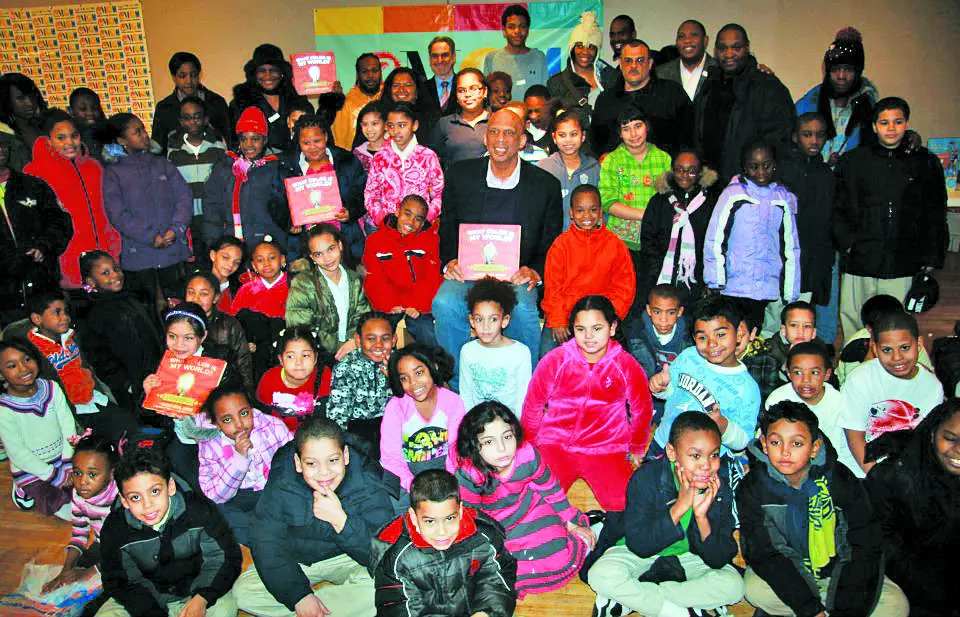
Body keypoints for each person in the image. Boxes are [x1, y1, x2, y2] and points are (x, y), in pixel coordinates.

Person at [738, 401, 909, 617]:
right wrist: (810, 609)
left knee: (896, 605)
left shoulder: (840, 479)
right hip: (792, 571)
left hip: (839, 572)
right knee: (755, 590)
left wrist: (846, 609)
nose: (784, 451)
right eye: (775, 442)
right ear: (764, 443)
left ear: (814, 447)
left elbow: (863, 544)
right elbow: (766, 553)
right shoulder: (753, 487)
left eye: (797, 444)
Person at [433, 108, 562, 379]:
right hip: (469, 270)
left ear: (522, 141)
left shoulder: (545, 185)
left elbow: (551, 239)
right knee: (445, 303)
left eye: (509, 133)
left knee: (525, 309)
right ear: (485, 137)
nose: (500, 139)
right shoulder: (460, 174)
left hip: (515, 274)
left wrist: (535, 270)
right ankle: (458, 384)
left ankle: (526, 387)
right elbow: (448, 224)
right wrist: (449, 261)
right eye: (494, 131)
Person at [585, 412, 744, 617]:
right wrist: (680, 506)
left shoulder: (718, 489)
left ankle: (633, 600)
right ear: (671, 452)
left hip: (690, 556)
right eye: (695, 456)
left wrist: (702, 518)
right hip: (641, 553)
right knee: (601, 575)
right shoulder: (646, 478)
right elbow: (639, 545)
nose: (706, 465)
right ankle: (681, 611)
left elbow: (719, 558)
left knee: (734, 587)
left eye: (714, 455)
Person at [234, 416, 393, 617]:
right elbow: (266, 542)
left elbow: (384, 550)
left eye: (333, 460)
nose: (324, 473)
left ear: (345, 456)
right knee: (244, 593)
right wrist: (299, 596)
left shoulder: (366, 479)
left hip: (345, 557)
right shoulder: (282, 482)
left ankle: (316, 611)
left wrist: (342, 522)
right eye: (311, 464)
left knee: (388, 583)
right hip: (296, 559)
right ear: (298, 463)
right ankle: (332, 608)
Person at [522, 295, 652, 511]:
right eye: (581, 329)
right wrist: (528, 444)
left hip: (606, 448)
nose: (588, 336)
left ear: (612, 328)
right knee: (535, 503)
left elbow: (642, 408)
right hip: (556, 445)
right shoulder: (556, 360)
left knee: (624, 505)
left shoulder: (626, 365)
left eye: (597, 328)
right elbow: (533, 404)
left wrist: (637, 447)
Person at [834, 96, 948, 335]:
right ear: (874, 126)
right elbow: (839, 208)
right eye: (884, 122)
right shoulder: (853, 162)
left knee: (896, 324)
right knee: (856, 321)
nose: (891, 128)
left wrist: (931, 257)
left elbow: (935, 213)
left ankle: (893, 371)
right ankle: (853, 369)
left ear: (906, 123)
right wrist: (847, 243)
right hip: (861, 258)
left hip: (903, 260)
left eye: (898, 121)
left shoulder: (924, 162)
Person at [457, 402, 593, 598]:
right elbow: (471, 517)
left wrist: (570, 523)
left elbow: (549, 487)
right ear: (473, 445)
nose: (502, 448)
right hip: (496, 525)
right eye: (488, 441)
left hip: (531, 509)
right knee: (506, 569)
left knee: (558, 556)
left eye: (507, 436)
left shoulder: (527, 454)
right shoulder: (469, 475)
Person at [97, 443, 242, 617]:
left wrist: (202, 597)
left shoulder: (200, 512)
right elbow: (121, 581)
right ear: (125, 501)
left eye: (155, 491)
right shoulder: (115, 529)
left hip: (196, 591)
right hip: (145, 600)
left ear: (170, 486)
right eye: (135, 497)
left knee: (225, 611)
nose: (147, 505)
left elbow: (224, 557)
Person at [370, 469, 518, 617]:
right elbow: (396, 608)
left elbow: (499, 578)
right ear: (414, 518)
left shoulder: (483, 537)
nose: (442, 531)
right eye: (430, 521)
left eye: (449, 519)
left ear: (459, 511)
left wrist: (486, 612)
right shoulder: (397, 558)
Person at [866, 399, 960, 616]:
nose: (958, 451)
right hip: (905, 580)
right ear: (932, 433)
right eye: (950, 439)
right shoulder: (893, 475)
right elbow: (880, 541)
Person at [703, 140, 801, 333]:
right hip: (732, 285)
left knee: (753, 336)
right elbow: (715, 238)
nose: (761, 172)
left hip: (765, 287)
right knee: (730, 334)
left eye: (766, 165)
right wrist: (715, 280)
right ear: (745, 167)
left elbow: (791, 246)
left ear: (774, 164)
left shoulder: (782, 199)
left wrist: (790, 291)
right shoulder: (733, 195)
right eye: (754, 167)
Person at [650, 295, 761, 462]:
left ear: (739, 334)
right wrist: (661, 387)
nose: (712, 344)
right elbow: (672, 392)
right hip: (664, 442)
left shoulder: (747, 388)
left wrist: (723, 425)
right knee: (647, 484)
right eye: (702, 337)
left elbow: (743, 440)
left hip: (703, 462)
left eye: (721, 335)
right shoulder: (689, 356)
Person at [100, 112, 193, 311]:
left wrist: (175, 229)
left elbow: (184, 196)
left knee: (178, 307)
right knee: (146, 310)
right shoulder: (113, 172)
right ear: (121, 140)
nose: (144, 135)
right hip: (139, 255)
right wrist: (151, 236)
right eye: (137, 132)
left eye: (143, 129)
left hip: (171, 249)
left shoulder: (162, 164)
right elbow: (117, 214)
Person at [23, 109, 120, 290]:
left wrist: (115, 247)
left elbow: (107, 211)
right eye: (61, 137)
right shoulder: (35, 172)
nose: (69, 142)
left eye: (74, 136)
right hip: (65, 263)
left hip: (104, 259)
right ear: (49, 140)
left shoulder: (93, 166)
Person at [24, 291, 139, 441]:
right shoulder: (31, 351)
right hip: (71, 411)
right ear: (37, 318)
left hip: (92, 398)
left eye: (66, 311)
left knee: (130, 426)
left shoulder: (71, 337)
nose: (65, 317)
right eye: (57, 313)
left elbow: (85, 366)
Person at [841, 310, 944, 475]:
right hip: (860, 469)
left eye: (905, 347)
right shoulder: (860, 379)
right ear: (875, 349)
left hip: (904, 470)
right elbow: (855, 438)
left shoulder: (932, 387)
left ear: (918, 344)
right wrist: (877, 479)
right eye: (887, 350)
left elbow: (923, 439)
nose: (897, 357)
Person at [695, 24, 796, 182]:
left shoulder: (768, 87)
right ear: (715, 51)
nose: (729, 54)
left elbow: (781, 143)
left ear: (747, 48)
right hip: (710, 184)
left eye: (736, 47)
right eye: (723, 48)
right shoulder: (710, 85)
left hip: (751, 186)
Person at [542, 184, 633, 357]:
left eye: (592, 210)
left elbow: (625, 287)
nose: (587, 216)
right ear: (571, 213)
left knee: (618, 358)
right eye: (580, 210)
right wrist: (558, 319)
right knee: (547, 354)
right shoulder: (561, 245)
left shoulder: (615, 245)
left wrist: (609, 317)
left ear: (600, 212)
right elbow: (553, 288)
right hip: (566, 315)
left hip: (602, 317)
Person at [771, 112, 837, 344]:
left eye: (820, 135)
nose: (814, 141)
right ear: (795, 137)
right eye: (807, 135)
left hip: (811, 264)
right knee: (773, 322)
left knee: (800, 323)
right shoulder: (780, 172)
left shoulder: (827, 175)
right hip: (781, 262)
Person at [599, 105, 672, 315]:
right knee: (622, 296)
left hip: (656, 242)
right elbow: (608, 202)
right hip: (621, 242)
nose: (633, 134)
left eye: (637, 126)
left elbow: (670, 200)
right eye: (626, 129)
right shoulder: (612, 160)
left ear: (647, 127)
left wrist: (652, 220)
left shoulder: (663, 158)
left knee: (651, 295)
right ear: (619, 133)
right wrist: (647, 216)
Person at [198, 384, 292, 546]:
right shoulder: (210, 445)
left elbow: (293, 462)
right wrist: (240, 459)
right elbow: (216, 495)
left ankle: (273, 533)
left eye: (244, 413)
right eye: (227, 419)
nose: (239, 424)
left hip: (273, 487)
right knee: (220, 514)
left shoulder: (273, 426)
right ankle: (266, 538)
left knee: (297, 500)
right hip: (238, 495)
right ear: (217, 424)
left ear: (252, 409)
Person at [77, 251, 164, 411]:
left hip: (156, 373)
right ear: (92, 281)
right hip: (132, 386)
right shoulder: (95, 315)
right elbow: (99, 357)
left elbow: (152, 333)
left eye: (116, 269)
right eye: (105, 273)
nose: (115, 275)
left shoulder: (131, 298)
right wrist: (126, 384)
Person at [0, 339, 77, 517]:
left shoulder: (52, 388)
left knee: (89, 490)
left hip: (64, 459)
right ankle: (22, 488)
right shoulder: (4, 410)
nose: (23, 368)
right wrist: (55, 476)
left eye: (27, 359)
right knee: (68, 512)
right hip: (31, 469)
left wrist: (66, 464)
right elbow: (18, 453)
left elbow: (67, 426)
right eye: (12, 365)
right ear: (1, 375)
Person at [0, 134, 72, 325]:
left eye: (3, 144)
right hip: (5, 294)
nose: (1, 149)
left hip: (42, 282)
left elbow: (61, 223)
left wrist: (44, 246)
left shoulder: (32, 185)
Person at [279, 113, 367, 261]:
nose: (312, 147)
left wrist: (350, 211)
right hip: (304, 246)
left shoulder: (347, 160)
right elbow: (277, 202)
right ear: (298, 142)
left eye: (317, 141)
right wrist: (290, 222)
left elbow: (363, 195)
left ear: (326, 137)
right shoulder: (287, 167)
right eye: (306, 142)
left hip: (346, 242)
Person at [766, 340, 862, 477]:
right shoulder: (777, 399)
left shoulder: (838, 402)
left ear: (827, 374)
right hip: (786, 463)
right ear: (788, 373)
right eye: (798, 372)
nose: (806, 380)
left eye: (815, 372)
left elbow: (835, 451)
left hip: (827, 467)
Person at [381, 344, 465, 497]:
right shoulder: (396, 406)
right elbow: (391, 457)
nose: (413, 383)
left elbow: (456, 448)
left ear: (434, 367)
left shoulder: (453, 401)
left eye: (419, 373)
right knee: (391, 508)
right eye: (404, 378)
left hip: (446, 468)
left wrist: (451, 481)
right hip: (405, 474)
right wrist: (413, 485)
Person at [637, 149, 718, 307]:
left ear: (700, 172)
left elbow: (713, 240)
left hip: (696, 278)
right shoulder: (659, 201)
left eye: (691, 171)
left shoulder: (711, 202)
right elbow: (648, 237)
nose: (685, 175)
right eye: (679, 170)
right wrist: (658, 268)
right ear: (672, 171)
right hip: (663, 276)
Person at [202, 106, 288, 255]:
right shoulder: (224, 167)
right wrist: (213, 242)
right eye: (243, 139)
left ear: (265, 139)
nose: (249, 145)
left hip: (268, 244)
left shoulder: (276, 168)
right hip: (232, 246)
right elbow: (212, 206)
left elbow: (285, 208)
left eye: (255, 139)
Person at [42, 431, 118, 596]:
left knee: (107, 586)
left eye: (92, 474)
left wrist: (90, 572)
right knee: (70, 580)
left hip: (127, 548)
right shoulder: (78, 496)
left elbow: (127, 546)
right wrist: (65, 570)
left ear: (112, 473)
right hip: (104, 545)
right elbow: (79, 532)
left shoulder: (121, 499)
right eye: (77, 473)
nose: (82, 482)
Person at [362, 195, 442, 346]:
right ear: (397, 211)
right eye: (407, 213)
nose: (411, 222)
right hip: (388, 304)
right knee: (379, 333)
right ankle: (384, 366)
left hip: (418, 305)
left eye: (418, 219)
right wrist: (390, 304)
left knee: (428, 332)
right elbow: (374, 278)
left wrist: (417, 305)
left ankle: (435, 367)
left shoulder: (430, 241)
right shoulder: (375, 240)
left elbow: (432, 278)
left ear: (423, 222)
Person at [592, 39, 693, 157]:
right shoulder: (605, 100)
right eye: (628, 60)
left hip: (664, 172)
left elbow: (690, 137)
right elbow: (596, 144)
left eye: (640, 60)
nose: (633, 66)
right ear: (620, 64)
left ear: (650, 64)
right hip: (619, 173)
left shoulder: (672, 93)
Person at [287, 224, 372, 359]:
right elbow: (301, 327)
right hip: (318, 354)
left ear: (340, 245)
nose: (327, 259)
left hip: (354, 348)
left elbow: (363, 316)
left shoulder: (354, 279)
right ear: (312, 257)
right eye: (318, 254)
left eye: (331, 249)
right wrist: (341, 348)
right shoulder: (302, 283)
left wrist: (354, 341)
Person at [795, 28, 878, 166]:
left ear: (858, 72)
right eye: (835, 69)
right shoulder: (807, 104)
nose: (841, 76)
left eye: (848, 69)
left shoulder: (870, 109)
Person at [166, 96, 229, 263]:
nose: (192, 122)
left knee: (215, 255)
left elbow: (224, 182)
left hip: (213, 214)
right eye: (186, 118)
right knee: (195, 258)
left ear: (205, 119)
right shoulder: (173, 151)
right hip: (187, 214)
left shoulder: (218, 147)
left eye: (196, 116)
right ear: (180, 121)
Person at [363, 102, 443, 231]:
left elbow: (438, 194)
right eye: (391, 126)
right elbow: (371, 193)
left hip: (418, 227)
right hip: (385, 227)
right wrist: (382, 219)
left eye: (402, 125)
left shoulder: (428, 156)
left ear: (415, 125)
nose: (395, 131)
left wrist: (425, 219)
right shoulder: (379, 158)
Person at [459, 277, 532, 417]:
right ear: (471, 321)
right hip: (478, 423)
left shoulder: (520, 353)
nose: (486, 327)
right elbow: (466, 395)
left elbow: (522, 400)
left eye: (493, 319)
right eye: (479, 319)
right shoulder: (467, 351)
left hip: (508, 424)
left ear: (505, 321)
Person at [325, 313, 395, 452]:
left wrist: (394, 379)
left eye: (385, 339)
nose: (379, 345)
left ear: (394, 340)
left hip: (395, 430)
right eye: (371, 339)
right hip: (358, 435)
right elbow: (338, 416)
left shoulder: (401, 363)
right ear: (358, 340)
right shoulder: (347, 367)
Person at [229, 44, 315, 153]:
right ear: (254, 74)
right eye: (262, 70)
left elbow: (316, 130)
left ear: (282, 73)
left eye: (273, 70)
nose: (268, 76)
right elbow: (235, 142)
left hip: (296, 163)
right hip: (259, 166)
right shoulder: (241, 103)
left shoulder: (298, 100)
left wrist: (331, 101)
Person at [629, 284, 692, 422]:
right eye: (657, 312)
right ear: (649, 310)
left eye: (671, 313)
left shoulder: (689, 337)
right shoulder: (635, 332)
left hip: (677, 393)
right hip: (646, 391)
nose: (663, 320)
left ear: (680, 312)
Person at [184, 270, 255, 393]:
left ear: (216, 298)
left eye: (203, 294)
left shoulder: (229, 324)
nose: (195, 299)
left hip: (222, 388)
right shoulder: (177, 322)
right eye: (191, 292)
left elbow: (243, 363)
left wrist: (247, 395)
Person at [256, 326, 333, 432]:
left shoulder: (325, 376)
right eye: (290, 356)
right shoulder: (269, 379)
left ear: (315, 358)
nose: (298, 362)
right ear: (281, 360)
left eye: (305, 355)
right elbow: (261, 419)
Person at [231, 239, 288, 379]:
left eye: (272, 258)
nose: (267, 264)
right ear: (254, 265)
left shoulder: (295, 286)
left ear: (282, 260)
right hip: (255, 350)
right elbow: (235, 323)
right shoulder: (246, 290)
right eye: (260, 260)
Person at [152, 51, 231, 153]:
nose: (189, 81)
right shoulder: (164, 108)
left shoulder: (216, 102)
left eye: (193, 75)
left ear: (199, 74)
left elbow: (229, 139)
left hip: (214, 163)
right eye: (182, 76)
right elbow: (158, 148)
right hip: (176, 165)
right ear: (173, 77)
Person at [536, 108, 600, 230]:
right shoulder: (543, 168)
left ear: (583, 136)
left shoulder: (594, 168)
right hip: (554, 243)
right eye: (562, 135)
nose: (568, 140)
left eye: (574, 134)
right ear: (554, 137)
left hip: (587, 241)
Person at [547, 11, 605, 117]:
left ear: (597, 51)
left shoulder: (611, 78)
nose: (585, 52)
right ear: (572, 48)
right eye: (579, 46)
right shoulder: (556, 83)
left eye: (591, 47)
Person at [433, 68, 490, 168]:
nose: (468, 94)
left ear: (484, 92)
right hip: (454, 183)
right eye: (462, 90)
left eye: (474, 88)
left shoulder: (497, 121)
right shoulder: (444, 124)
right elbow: (435, 160)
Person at [483, 4, 548, 89]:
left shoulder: (539, 57)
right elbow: (487, 94)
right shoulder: (491, 58)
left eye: (522, 26)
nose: (517, 31)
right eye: (511, 27)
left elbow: (544, 92)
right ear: (504, 31)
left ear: (528, 30)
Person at [656, 20, 716, 104]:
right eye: (681, 36)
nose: (687, 40)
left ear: (705, 41)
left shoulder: (720, 69)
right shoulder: (661, 74)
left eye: (694, 35)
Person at [332, 53, 383, 151]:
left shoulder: (389, 96)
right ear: (358, 74)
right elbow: (340, 143)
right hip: (357, 159)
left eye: (375, 71)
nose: (370, 75)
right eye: (365, 71)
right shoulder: (346, 102)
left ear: (380, 72)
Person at [0, 73, 46, 158]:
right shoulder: (4, 137)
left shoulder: (47, 125)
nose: (30, 103)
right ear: (7, 101)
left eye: (32, 96)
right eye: (20, 98)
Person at [68, 87, 107, 162]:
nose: (90, 113)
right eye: (83, 109)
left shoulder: (108, 132)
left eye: (94, 108)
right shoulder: (69, 136)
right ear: (71, 111)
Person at [207, 235, 245, 313]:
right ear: (213, 255)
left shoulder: (239, 291)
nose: (231, 265)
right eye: (225, 257)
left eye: (236, 262)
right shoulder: (196, 282)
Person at [424, 36, 459, 117]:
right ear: (429, 59)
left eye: (445, 55)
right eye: (435, 56)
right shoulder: (421, 89)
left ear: (453, 57)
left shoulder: (464, 86)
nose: (440, 60)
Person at [352, 103, 385, 173]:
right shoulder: (357, 154)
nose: (369, 129)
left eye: (374, 124)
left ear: (385, 124)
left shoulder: (395, 150)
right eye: (365, 124)